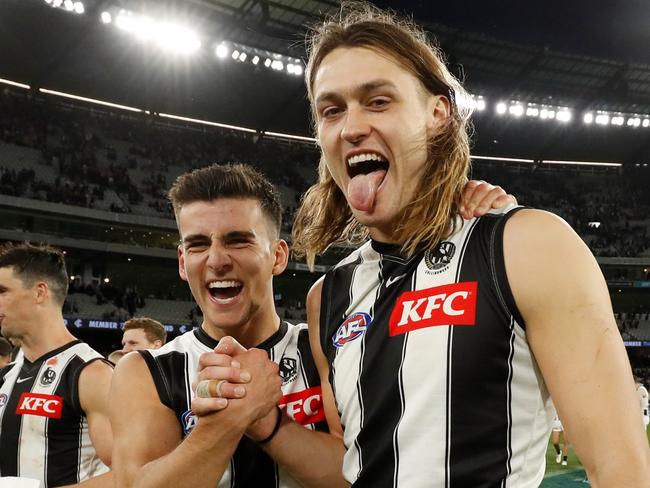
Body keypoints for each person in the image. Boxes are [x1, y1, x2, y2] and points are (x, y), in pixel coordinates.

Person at [286, 3, 648, 486]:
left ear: (438, 114)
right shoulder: (326, 298)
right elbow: (350, 463)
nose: (350, 127)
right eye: (331, 110)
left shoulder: (527, 247)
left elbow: (622, 469)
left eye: (378, 101)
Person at [110, 163, 511, 488]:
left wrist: (270, 424)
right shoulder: (144, 371)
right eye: (198, 244)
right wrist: (234, 415)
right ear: (182, 262)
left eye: (238, 240)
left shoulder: (336, 344)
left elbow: (365, 474)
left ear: (278, 256)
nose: (216, 260)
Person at [0, 243, 113, 487]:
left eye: (2, 291)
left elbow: (129, 474)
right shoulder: (7, 375)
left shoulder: (91, 374)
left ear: (40, 292)